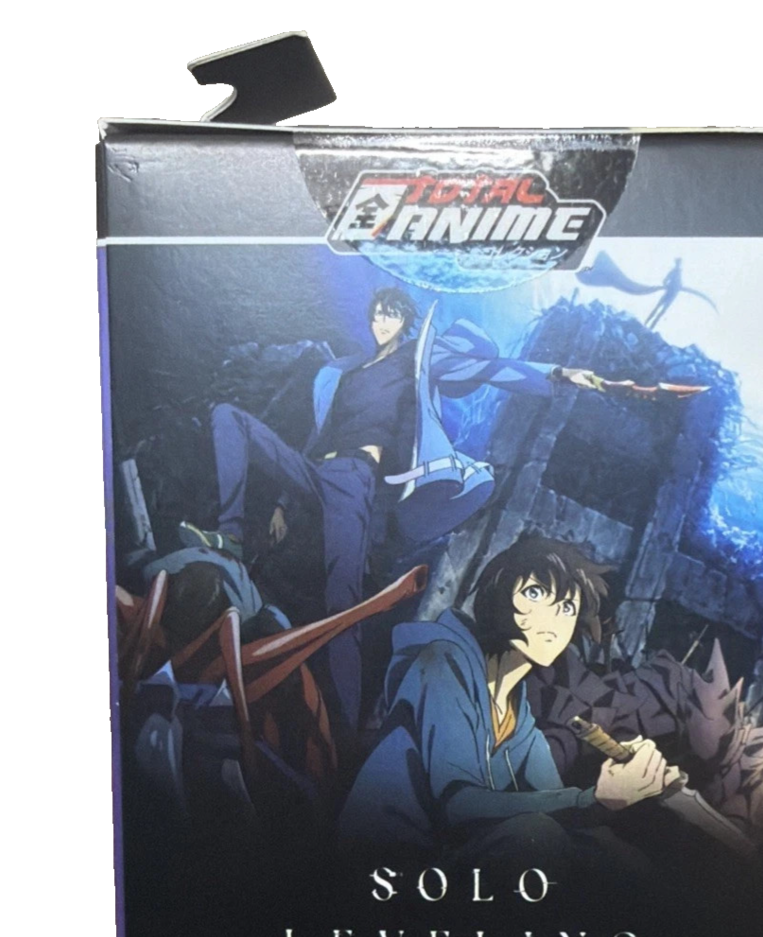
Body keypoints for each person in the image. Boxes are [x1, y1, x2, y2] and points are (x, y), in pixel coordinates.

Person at [180, 289, 607, 728]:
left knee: (342, 602)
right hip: (314, 472)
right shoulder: (345, 371)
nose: (381, 322)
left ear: (406, 320)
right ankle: (229, 535)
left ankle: (344, 724)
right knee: (229, 417)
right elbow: (319, 437)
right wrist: (282, 504)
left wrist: (558, 373)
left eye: (391, 315)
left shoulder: (415, 360)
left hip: (354, 481)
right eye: (377, 314)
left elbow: (491, 368)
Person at [337, 536, 681, 863]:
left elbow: (556, 805)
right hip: (384, 863)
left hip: (445, 865)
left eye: (567, 607)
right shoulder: (442, 663)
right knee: (536, 835)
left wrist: (629, 783)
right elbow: (459, 804)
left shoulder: (519, 716)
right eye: (535, 592)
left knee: (611, 856)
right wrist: (593, 799)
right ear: (498, 596)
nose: (552, 618)